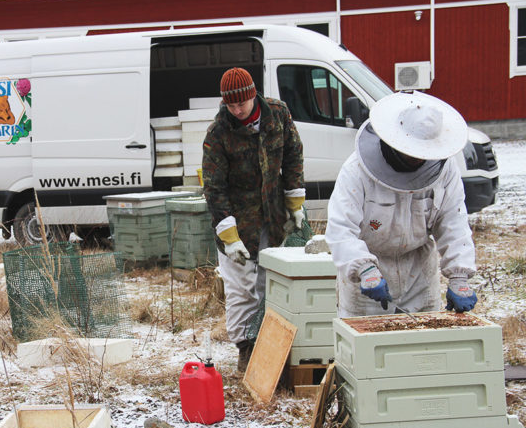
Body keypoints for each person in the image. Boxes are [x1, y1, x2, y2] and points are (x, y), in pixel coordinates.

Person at [325, 91, 478, 318]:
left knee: (424, 348)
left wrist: (459, 275)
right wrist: (363, 268)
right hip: (368, 272)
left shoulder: (444, 171)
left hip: (419, 273)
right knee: (367, 347)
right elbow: (340, 229)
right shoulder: (356, 171)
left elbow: (453, 221)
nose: (417, 159)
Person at [202, 67, 305, 371]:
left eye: (241, 104)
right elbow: (213, 186)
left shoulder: (278, 114)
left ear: (252, 95)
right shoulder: (218, 133)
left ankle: (271, 345)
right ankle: (246, 348)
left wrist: (295, 200)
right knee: (241, 288)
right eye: (230, 105)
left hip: (273, 217)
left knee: (268, 282)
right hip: (237, 220)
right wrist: (228, 235)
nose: (236, 110)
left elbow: (293, 154)